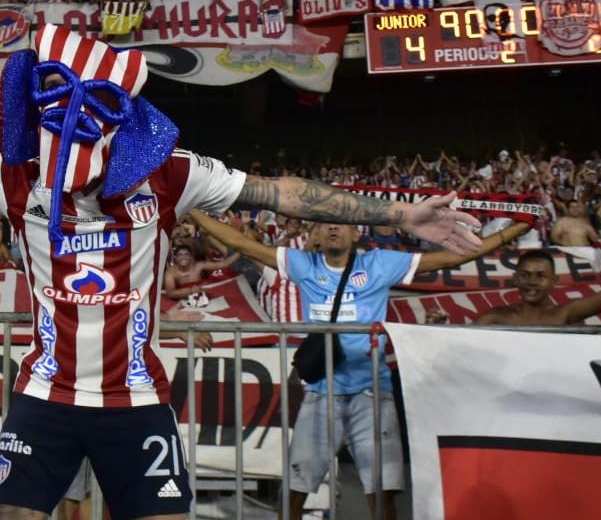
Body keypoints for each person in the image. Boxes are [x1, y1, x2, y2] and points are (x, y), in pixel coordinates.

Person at [0, 24, 480, 520]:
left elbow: (279, 192)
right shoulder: (14, 174)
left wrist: (396, 216)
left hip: (137, 401)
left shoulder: (170, 174)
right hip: (43, 395)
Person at [190, 211, 527, 520]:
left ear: (356, 234)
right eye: (326, 223)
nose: (334, 227)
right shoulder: (303, 264)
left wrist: (516, 229)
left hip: (372, 395)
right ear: (318, 233)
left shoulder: (380, 264)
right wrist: (188, 207)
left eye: (343, 223)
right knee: (294, 493)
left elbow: (459, 254)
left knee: (381, 497)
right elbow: (238, 242)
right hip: (320, 396)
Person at [473, 249, 601, 325]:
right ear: (516, 279)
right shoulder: (495, 317)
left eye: (541, 276)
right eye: (525, 275)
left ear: (554, 280)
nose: (532, 281)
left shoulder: (564, 313)